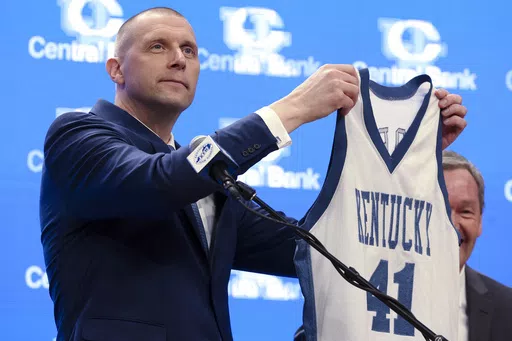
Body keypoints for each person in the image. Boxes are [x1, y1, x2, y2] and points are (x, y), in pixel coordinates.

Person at [39, 6, 468, 341]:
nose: (178, 60)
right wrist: (293, 109)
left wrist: (409, 158)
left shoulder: (211, 182)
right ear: (116, 69)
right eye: (157, 47)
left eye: (189, 51)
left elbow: (316, 250)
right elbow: (158, 182)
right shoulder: (78, 135)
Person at [442, 150, 512, 341]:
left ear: (480, 222)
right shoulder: (375, 296)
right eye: (441, 208)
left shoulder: (507, 309)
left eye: (465, 212)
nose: (453, 226)